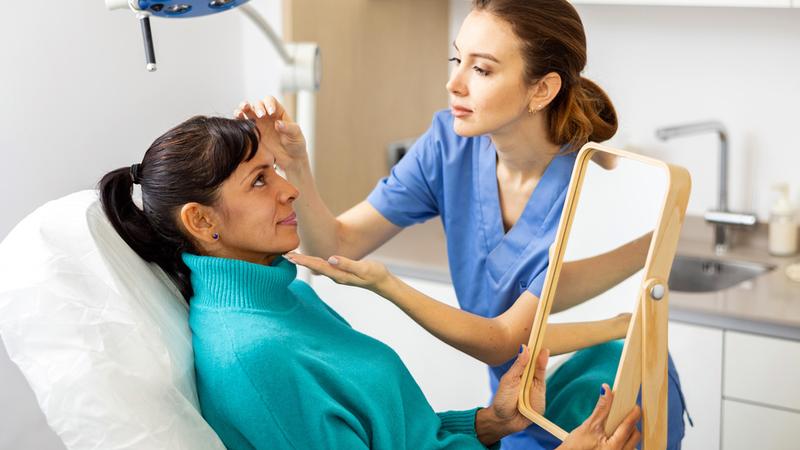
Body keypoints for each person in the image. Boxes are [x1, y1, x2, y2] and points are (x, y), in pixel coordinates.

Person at [234, 0, 688, 448]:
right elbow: (338, 243)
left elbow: (506, 340)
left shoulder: (594, 190)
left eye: (483, 69)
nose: (453, 83)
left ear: (542, 89)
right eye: (457, 59)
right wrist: (297, 165)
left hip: (608, 394)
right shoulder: (449, 145)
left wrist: (388, 285)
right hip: (521, 401)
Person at [98, 115, 641, 450]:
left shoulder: (285, 295)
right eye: (260, 180)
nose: (287, 191)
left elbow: (398, 434)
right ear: (201, 221)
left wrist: (490, 423)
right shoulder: (254, 357)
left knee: (619, 366)